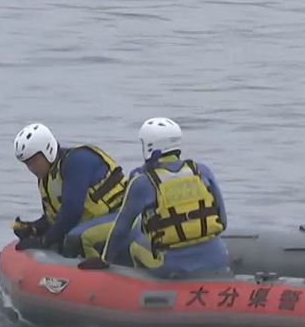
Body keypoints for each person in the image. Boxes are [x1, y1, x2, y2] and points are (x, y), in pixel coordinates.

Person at [78, 117, 230, 278]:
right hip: (218, 257)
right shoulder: (202, 171)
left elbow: (121, 230)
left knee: (135, 246)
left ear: (150, 146)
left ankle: (141, 290)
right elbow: (223, 221)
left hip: (174, 266)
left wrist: (104, 260)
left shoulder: (143, 182)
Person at [11, 122, 127, 259]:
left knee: (75, 238)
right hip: (95, 220)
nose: (31, 168)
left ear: (47, 150)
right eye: (27, 164)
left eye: (34, 161)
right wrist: (34, 228)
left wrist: (44, 240)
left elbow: (72, 212)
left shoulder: (76, 162)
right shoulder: (47, 176)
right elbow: (54, 217)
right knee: (61, 238)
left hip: (122, 216)